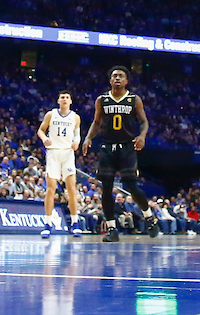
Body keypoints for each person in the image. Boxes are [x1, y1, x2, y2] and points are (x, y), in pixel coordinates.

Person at [81, 66, 158, 242]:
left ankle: (149, 217)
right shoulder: (102, 100)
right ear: (110, 80)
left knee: (131, 186)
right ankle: (112, 229)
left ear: (126, 81)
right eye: (114, 75)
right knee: (106, 188)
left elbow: (144, 122)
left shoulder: (134, 99)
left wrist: (142, 136)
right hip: (107, 147)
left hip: (127, 147)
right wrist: (87, 138)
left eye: (121, 76)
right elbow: (96, 122)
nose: (117, 78)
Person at [36, 91, 82, 238]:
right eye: (62, 97)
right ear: (58, 101)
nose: (64, 99)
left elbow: (77, 134)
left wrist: (77, 142)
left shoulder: (75, 117)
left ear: (70, 101)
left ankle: (75, 223)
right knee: (51, 189)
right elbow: (41, 130)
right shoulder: (51, 114)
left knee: (71, 189)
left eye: (67, 97)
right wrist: (44, 139)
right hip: (53, 152)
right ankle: (48, 224)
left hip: (68, 153)